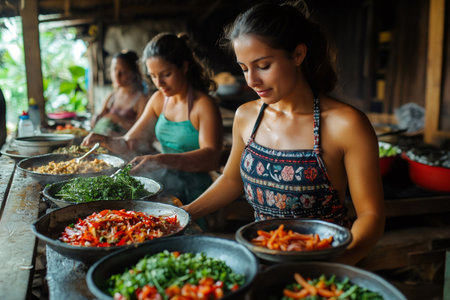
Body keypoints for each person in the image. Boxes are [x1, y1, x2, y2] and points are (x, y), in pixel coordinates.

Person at [183, 2, 385, 265]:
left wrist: (340, 264)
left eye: (263, 65)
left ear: (298, 54)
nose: (251, 81)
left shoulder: (346, 124)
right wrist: (182, 214)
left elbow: (370, 214)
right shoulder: (246, 116)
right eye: (244, 68)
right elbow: (232, 181)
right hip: (260, 259)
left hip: (327, 264)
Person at [83, 32, 223, 210]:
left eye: (166, 74)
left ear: (184, 67)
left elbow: (211, 158)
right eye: (153, 76)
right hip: (167, 188)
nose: (159, 83)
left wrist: (162, 160)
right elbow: (130, 142)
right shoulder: (159, 100)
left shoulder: (203, 105)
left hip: (199, 195)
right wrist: (105, 140)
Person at [91, 50, 149, 136]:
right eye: (114, 70)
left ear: (134, 73)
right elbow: (102, 114)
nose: (117, 75)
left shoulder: (141, 99)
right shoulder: (112, 96)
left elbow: (142, 131)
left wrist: (116, 118)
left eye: (123, 71)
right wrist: (96, 118)